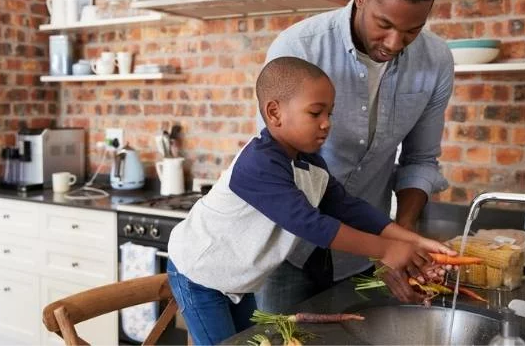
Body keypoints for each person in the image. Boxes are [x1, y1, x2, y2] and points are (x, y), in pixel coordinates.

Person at [166, 56, 456, 345]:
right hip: (200, 275)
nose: (326, 124)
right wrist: (387, 249)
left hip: (235, 280)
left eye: (330, 113)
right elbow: (311, 225)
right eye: (316, 113)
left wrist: (412, 241)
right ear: (274, 113)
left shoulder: (310, 164)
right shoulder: (258, 164)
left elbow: (347, 207)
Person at [255, 0, 455, 311]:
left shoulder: (436, 61)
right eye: (384, 24)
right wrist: (385, 247)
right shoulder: (299, 48)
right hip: (287, 250)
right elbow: (280, 171)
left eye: (412, 30)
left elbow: (420, 160)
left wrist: (401, 238)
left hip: (361, 257)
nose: (394, 43)